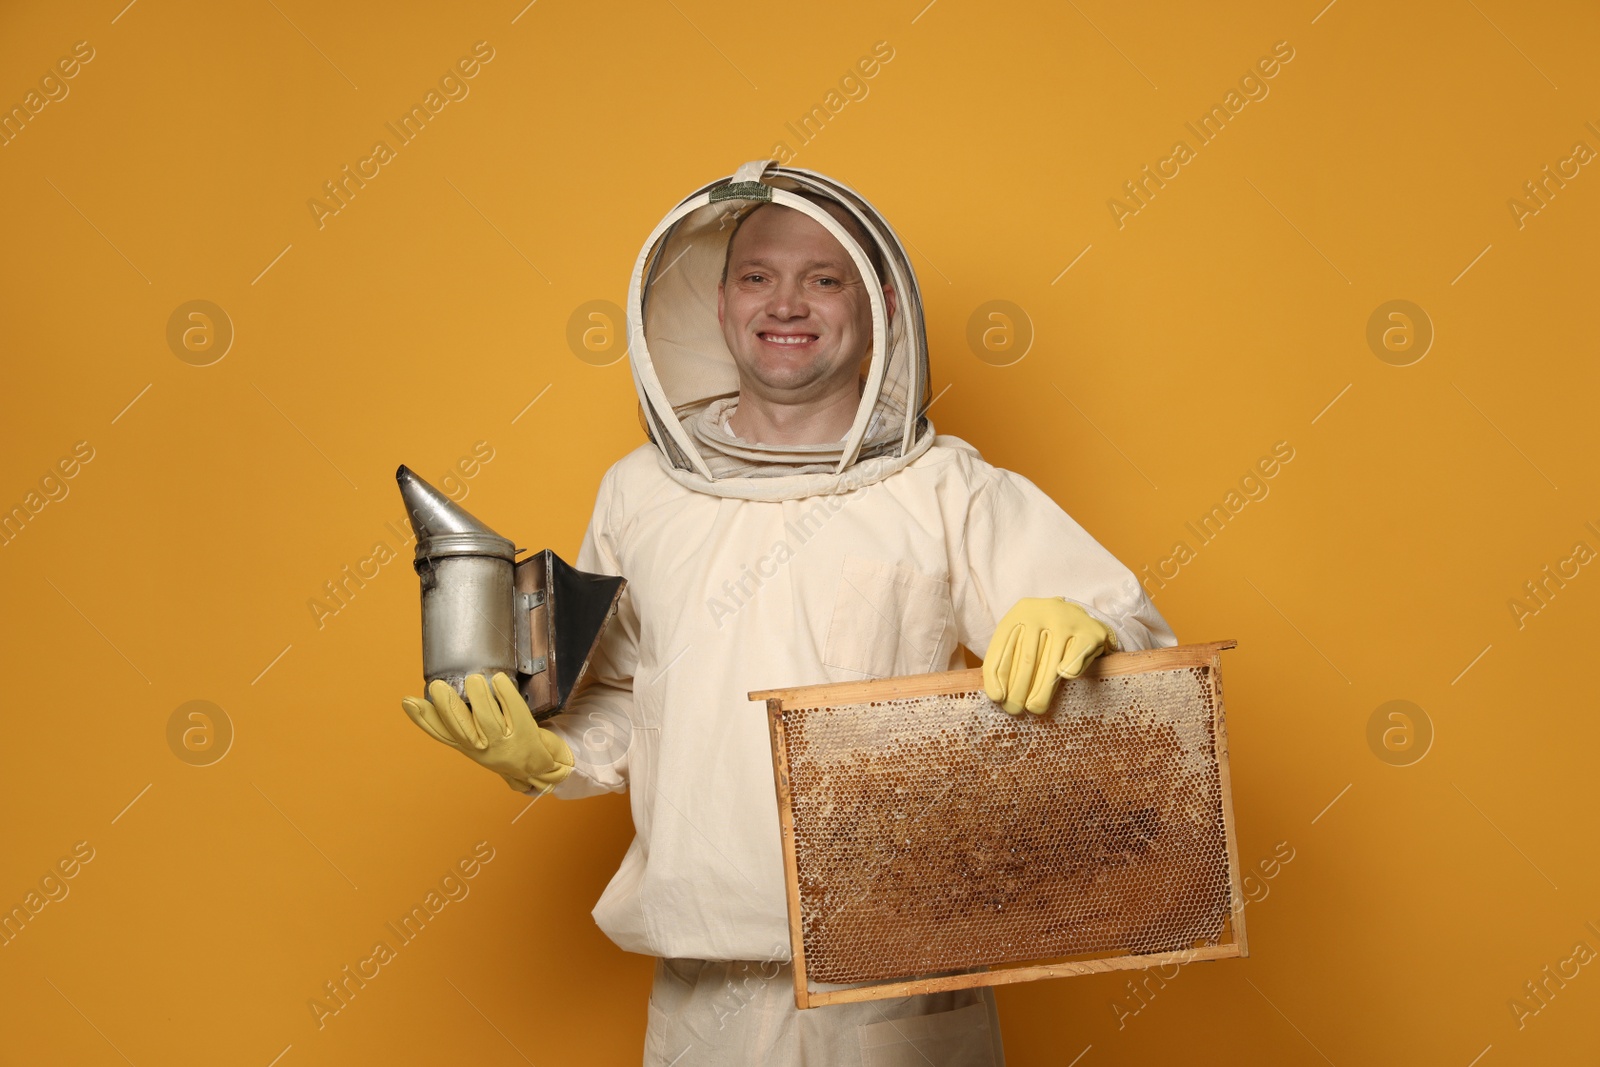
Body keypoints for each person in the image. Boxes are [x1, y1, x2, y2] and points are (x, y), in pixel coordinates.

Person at [401, 161, 1177, 1065]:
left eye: (823, 277)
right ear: (720, 301)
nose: (787, 304)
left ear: (876, 301)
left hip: (896, 988)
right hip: (703, 994)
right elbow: (619, 695)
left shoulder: (943, 485)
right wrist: (551, 753)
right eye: (758, 276)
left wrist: (1087, 629)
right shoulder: (639, 493)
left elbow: (1131, 641)